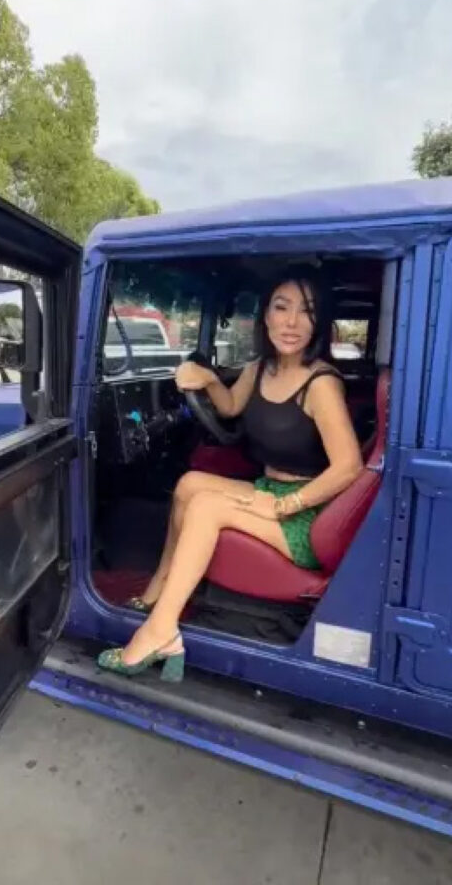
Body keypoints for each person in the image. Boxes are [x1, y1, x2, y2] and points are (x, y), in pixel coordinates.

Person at [97, 264, 364, 682]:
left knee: (205, 506)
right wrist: (205, 378)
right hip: (271, 489)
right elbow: (230, 406)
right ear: (265, 314)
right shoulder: (261, 368)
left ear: (319, 322)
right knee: (189, 484)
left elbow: (350, 467)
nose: (292, 322)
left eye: (307, 311)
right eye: (282, 307)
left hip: (307, 513)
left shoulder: (321, 384)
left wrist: (286, 505)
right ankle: (155, 594)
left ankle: (161, 631)